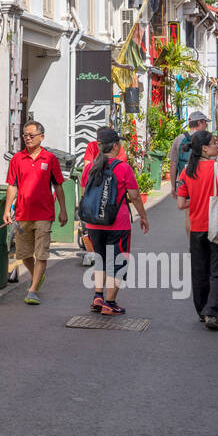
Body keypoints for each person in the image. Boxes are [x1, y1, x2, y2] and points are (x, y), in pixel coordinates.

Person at [80, 126, 149, 315]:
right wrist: (143, 216)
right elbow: (135, 196)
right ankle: (109, 303)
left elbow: (85, 194)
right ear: (116, 146)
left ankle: (98, 296)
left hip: (94, 223)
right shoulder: (123, 168)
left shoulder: (90, 168)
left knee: (100, 259)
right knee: (118, 262)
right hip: (117, 223)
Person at [175, 129, 218, 330]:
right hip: (217, 226)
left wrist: (198, 200)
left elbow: (180, 204)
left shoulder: (186, 172)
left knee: (200, 271)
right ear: (204, 148)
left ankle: (202, 311)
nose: (217, 146)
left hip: (196, 228)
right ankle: (212, 312)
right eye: (213, 143)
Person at [3, 119, 68, 305]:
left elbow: (58, 186)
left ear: (42, 137)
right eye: (25, 135)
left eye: (31, 135)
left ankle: (33, 289)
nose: (27, 138)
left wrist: (63, 210)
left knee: (41, 253)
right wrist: (7, 209)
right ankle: (37, 277)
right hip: (22, 213)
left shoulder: (50, 159)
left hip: (44, 214)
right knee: (23, 254)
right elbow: (12, 186)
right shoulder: (17, 159)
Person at [167, 110, 210, 195]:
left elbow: (173, 164)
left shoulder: (179, 139)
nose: (206, 126)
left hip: (184, 183)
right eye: (205, 123)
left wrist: (173, 187)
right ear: (199, 123)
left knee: (187, 206)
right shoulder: (207, 139)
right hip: (203, 184)